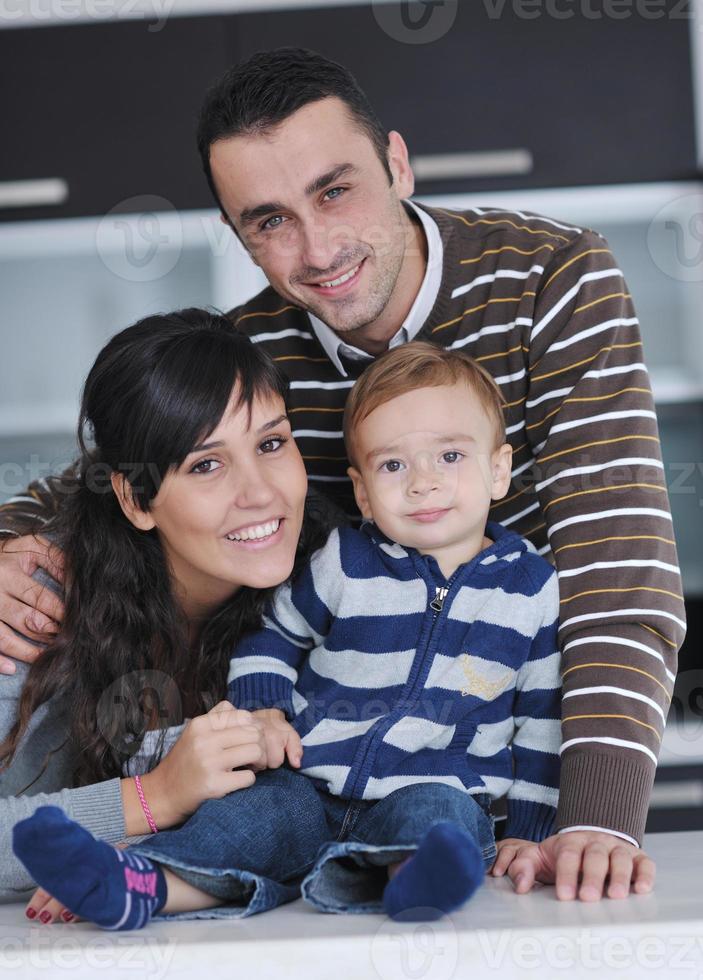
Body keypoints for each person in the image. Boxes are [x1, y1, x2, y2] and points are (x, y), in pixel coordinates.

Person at [0, 48, 680, 900]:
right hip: (323, 780)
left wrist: (594, 818)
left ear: (396, 164)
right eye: (269, 220)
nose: (317, 249)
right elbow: (113, 479)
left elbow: (617, 571)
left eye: (335, 190)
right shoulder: (255, 348)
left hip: (502, 800)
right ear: (237, 233)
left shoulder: (550, 279)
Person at [13, 342, 562, 926]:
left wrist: (529, 831)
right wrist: (263, 711)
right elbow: (275, 635)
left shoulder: (530, 591)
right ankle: (137, 885)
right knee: (245, 821)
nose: (423, 484)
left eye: (450, 456)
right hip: (306, 778)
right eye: (394, 466)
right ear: (362, 492)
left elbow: (541, 722)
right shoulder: (342, 563)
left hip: (433, 784)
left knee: (439, 818)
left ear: (499, 469)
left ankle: (415, 883)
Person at [0, 308, 339, 923]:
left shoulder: (335, 588)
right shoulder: (31, 606)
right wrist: (156, 797)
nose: (261, 492)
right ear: (134, 499)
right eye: (206, 465)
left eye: (271, 443)